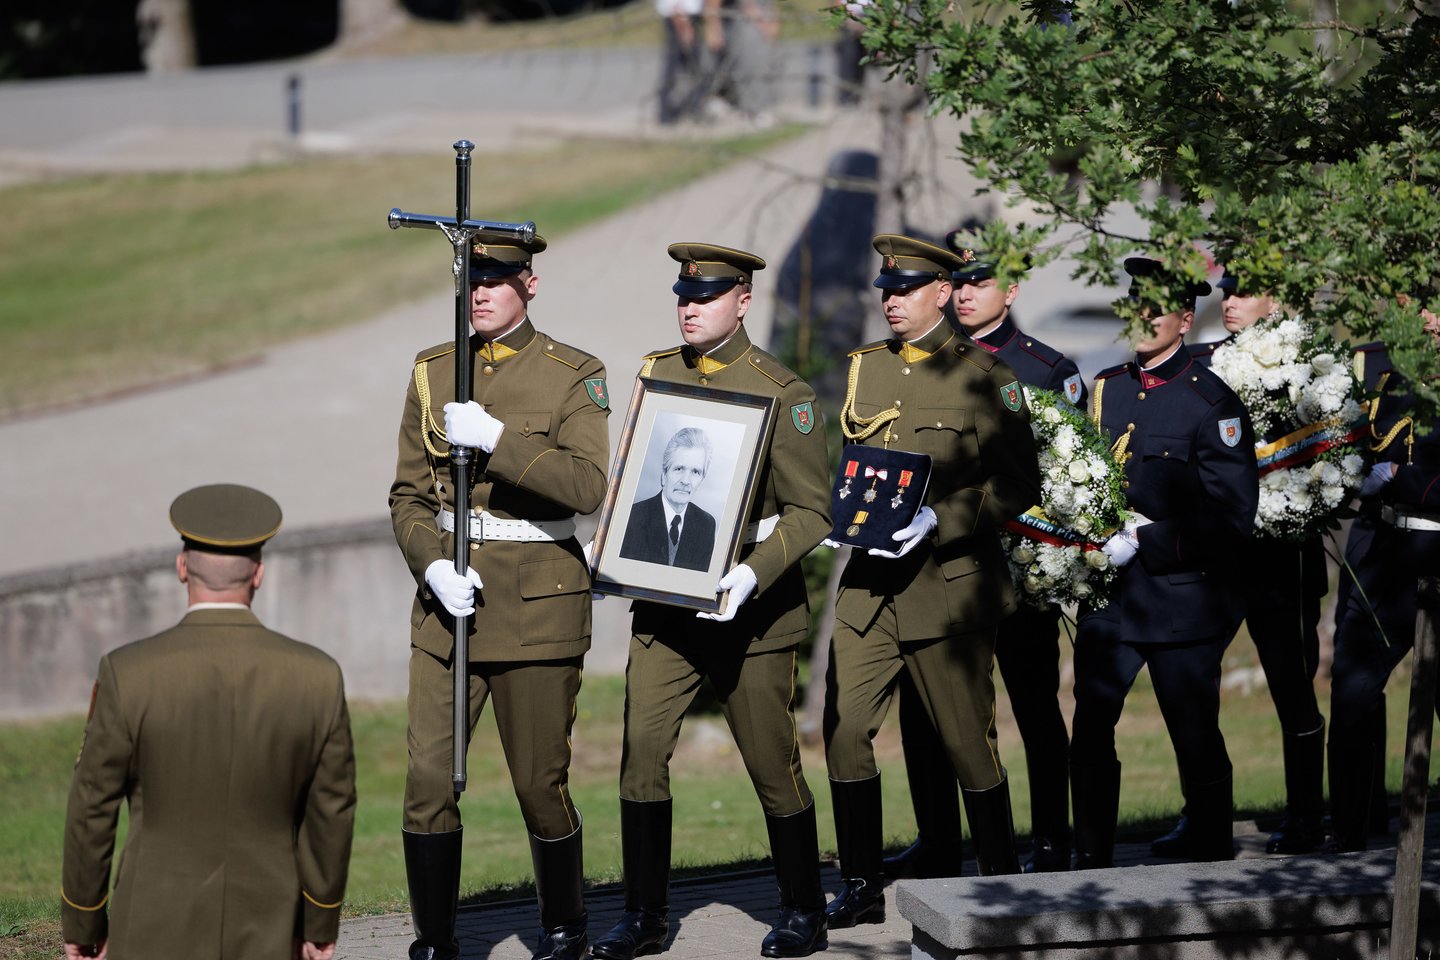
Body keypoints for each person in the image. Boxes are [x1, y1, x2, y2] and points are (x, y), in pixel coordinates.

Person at [592, 243, 833, 960]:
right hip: (666, 612)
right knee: (640, 754)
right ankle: (644, 916)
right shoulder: (658, 374)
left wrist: (752, 573)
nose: (689, 307)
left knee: (770, 762)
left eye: (706, 296)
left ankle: (801, 909)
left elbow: (812, 512)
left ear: (742, 300)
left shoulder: (781, 391)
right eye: (684, 296)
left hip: (750, 614)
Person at [389, 231, 609, 960]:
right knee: (427, 781)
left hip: (539, 605)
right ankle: (437, 939)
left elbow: (585, 489)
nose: (480, 289)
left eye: (498, 276)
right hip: (450, 605)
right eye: (470, 275)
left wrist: (497, 440)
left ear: (530, 284)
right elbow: (407, 497)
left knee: (539, 784)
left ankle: (564, 925)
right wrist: (430, 566)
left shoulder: (573, 373)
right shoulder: (433, 369)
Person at [823, 234, 1042, 927]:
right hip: (869, 589)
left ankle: (1002, 881)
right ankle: (859, 884)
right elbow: (859, 466)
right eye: (886, 290)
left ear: (942, 293)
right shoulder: (866, 369)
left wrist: (942, 520)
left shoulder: (986, 377)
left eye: (905, 290)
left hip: (948, 589)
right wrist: (845, 517)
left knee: (966, 744)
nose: (890, 301)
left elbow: (1018, 483)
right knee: (846, 730)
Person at [62, 484, 356, 960]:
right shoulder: (318, 678)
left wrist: (84, 919)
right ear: (258, 574)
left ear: (182, 568)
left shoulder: (128, 673)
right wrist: (320, 920)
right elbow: (332, 811)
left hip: (152, 925)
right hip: (272, 926)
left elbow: (92, 807)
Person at [883, 239, 1088, 879]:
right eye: (958, 283)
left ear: (1013, 290)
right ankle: (939, 839)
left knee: (1032, 704)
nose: (967, 293)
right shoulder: (924, 362)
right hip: (942, 568)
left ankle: (1052, 836)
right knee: (926, 712)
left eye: (981, 281)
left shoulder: (1045, 369)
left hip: (1020, 564)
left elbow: (1066, 478)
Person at [1069, 258, 1258, 868]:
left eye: (1157, 308)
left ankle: (1209, 836)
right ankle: (1091, 850)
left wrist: (1147, 542)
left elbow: (1231, 517)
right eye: (1135, 305)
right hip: (1113, 593)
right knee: (1092, 719)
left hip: (1180, 594)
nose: (1144, 318)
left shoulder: (1211, 401)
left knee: (1191, 724)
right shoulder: (1109, 387)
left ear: (1183, 319)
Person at [1186, 268, 1330, 854]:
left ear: (1277, 297)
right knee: (1191, 685)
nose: (1231, 303)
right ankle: (1204, 814)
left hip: (1281, 556)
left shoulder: (1309, 364)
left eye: (1244, 292)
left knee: (1292, 688)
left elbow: (1328, 448)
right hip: (1217, 560)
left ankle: (1305, 816)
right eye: (1226, 292)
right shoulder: (1201, 363)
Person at [1326, 306, 1440, 851]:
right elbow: (1343, 449)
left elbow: (1397, 472)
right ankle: (1348, 831)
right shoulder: (1369, 364)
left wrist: (1402, 478)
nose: (1426, 316)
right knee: (1352, 692)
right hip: (1383, 549)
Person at [619, 426, 718, 571]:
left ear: (702, 479)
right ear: (664, 475)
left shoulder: (706, 524)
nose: (686, 480)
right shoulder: (633, 517)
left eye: (695, 472)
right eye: (679, 469)